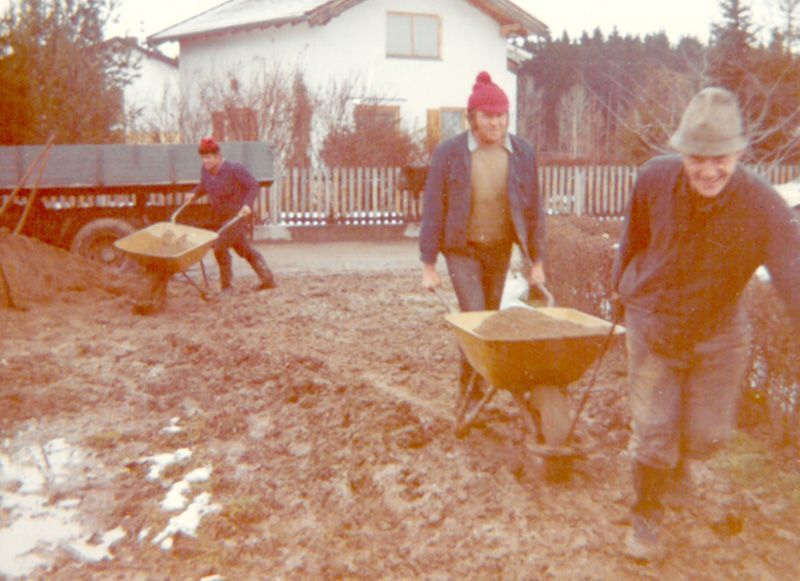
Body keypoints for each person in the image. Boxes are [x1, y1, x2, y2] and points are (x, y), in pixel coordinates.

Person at [611, 87, 800, 561]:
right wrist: (621, 293)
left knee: (707, 435)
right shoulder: (653, 179)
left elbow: (793, 274)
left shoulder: (762, 204)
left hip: (719, 326)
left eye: (722, 157)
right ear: (682, 152)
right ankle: (647, 517)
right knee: (655, 429)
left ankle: (673, 469)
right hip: (654, 318)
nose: (709, 169)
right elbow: (631, 238)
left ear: (739, 153)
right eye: (698, 156)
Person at [419, 71, 547, 399]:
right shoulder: (449, 153)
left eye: (501, 116)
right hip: (462, 249)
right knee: (475, 318)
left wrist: (537, 261)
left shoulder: (522, 152)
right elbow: (433, 207)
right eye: (487, 116)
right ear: (472, 117)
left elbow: (534, 211)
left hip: (499, 248)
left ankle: (481, 380)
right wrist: (429, 265)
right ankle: (471, 390)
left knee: (488, 320)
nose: (495, 123)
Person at [186, 137, 276, 292]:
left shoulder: (235, 169)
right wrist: (194, 194)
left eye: (208, 157)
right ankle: (267, 278)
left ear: (218, 156)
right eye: (203, 158)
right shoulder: (206, 172)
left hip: (237, 216)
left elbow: (253, 186)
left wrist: (247, 205)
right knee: (243, 249)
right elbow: (204, 186)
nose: (205, 161)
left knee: (219, 247)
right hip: (221, 217)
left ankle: (227, 287)